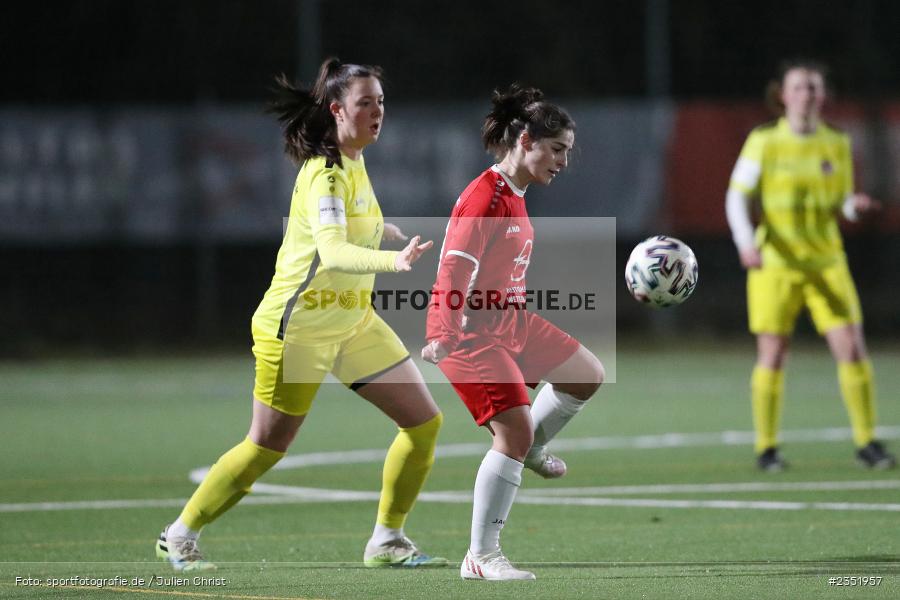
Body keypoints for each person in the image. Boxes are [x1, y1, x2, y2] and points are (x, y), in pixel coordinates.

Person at [155, 58, 447, 571]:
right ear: (337, 109)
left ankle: (387, 539)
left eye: (381, 100)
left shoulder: (353, 158)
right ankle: (179, 534)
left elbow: (346, 230)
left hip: (353, 322)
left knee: (423, 424)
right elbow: (332, 251)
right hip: (299, 330)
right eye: (365, 102)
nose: (377, 110)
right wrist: (392, 260)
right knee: (266, 446)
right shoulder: (326, 173)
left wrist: (384, 232)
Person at [422, 84, 605, 581]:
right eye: (557, 149)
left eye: (567, 151)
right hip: (471, 333)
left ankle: (533, 448)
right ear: (525, 140)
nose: (563, 162)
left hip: (511, 323)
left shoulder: (515, 193)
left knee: (585, 374)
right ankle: (481, 557)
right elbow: (454, 270)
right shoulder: (486, 196)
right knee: (513, 433)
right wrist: (442, 328)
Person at [725, 59, 896, 472]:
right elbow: (736, 197)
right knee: (773, 354)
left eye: (814, 88)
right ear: (783, 95)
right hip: (776, 264)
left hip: (826, 262)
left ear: (823, 96)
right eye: (799, 87)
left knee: (852, 349)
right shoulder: (764, 140)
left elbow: (840, 201)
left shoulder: (835, 142)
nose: (807, 94)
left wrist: (854, 207)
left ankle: (867, 442)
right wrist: (746, 243)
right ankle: (766, 449)